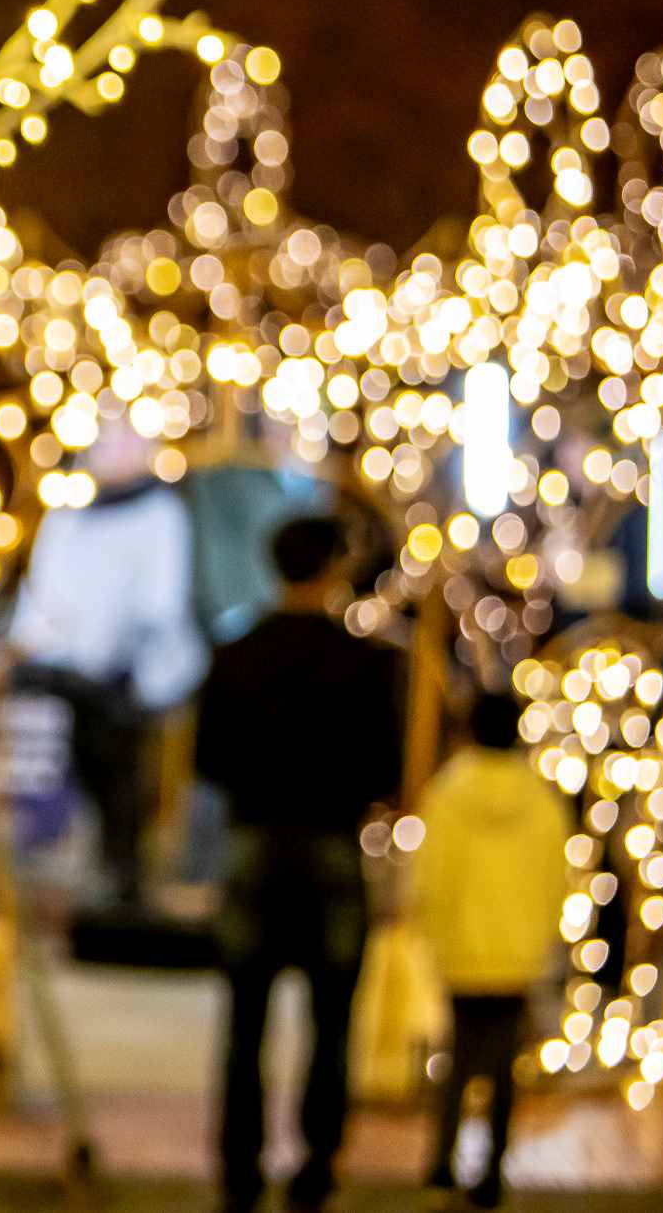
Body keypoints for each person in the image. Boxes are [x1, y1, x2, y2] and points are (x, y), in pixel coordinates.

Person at [192, 515, 405, 1213]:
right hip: (333, 844)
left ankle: (239, 1169)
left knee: (245, 1017)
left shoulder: (235, 652)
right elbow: (387, 768)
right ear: (334, 567)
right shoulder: (368, 662)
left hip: (254, 840)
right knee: (333, 1017)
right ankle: (316, 1166)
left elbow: (208, 760)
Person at [1, 421, 205, 906]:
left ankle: (128, 881)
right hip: (73, 678)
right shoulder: (69, 518)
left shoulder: (161, 516)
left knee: (128, 788)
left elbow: (159, 602)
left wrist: (121, 662)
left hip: (130, 681)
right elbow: (46, 602)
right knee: (88, 780)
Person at [414, 690, 571, 1209]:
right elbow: (556, 879)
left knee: (457, 1057)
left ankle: (440, 1163)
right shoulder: (543, 803)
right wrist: (540, 937)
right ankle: (492, 1170)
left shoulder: (447, 795)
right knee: (504, 1064)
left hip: (461, 947)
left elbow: (431, 875)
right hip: (516, 952)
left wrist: (433, 933)